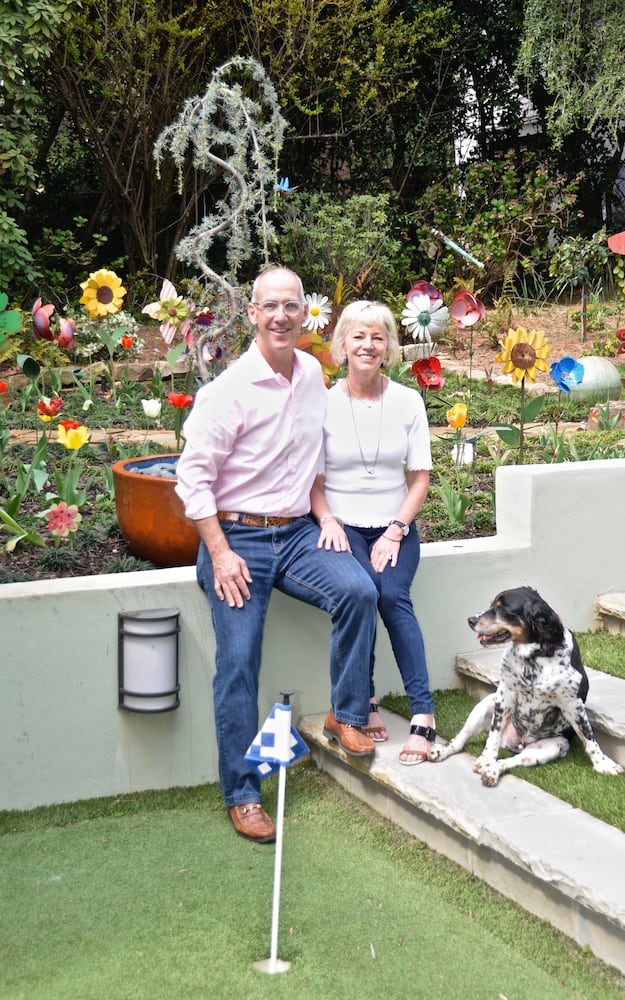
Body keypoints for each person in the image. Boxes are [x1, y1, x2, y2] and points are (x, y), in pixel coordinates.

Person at [175, 267, 379, 844]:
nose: (283, 317)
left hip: (294, 536)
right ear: (253, 315)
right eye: (271, 307)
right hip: (235, 541)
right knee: (239, 663)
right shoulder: (227, 392)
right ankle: (243, 794)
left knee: (359, 590)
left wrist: (326, 516)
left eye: (292, 306)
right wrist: (218, 552)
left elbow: (308, 460)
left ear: (304, 312)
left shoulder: (312, 372)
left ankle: (345, 713)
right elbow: (192, 480)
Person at [310, 300, 436, 765]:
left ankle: (423, 713)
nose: (367, 345)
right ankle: (364, 699)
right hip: (340, 528)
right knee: (361, 592)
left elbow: (419, 477)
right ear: (342, 346)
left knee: (392, 596)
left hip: (395, 525)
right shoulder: (321, 404)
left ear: (388, 348)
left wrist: (396, 530)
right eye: (358, 336)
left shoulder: (407, 402)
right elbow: (314, 485)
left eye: (377, 337)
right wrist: (327, 521)